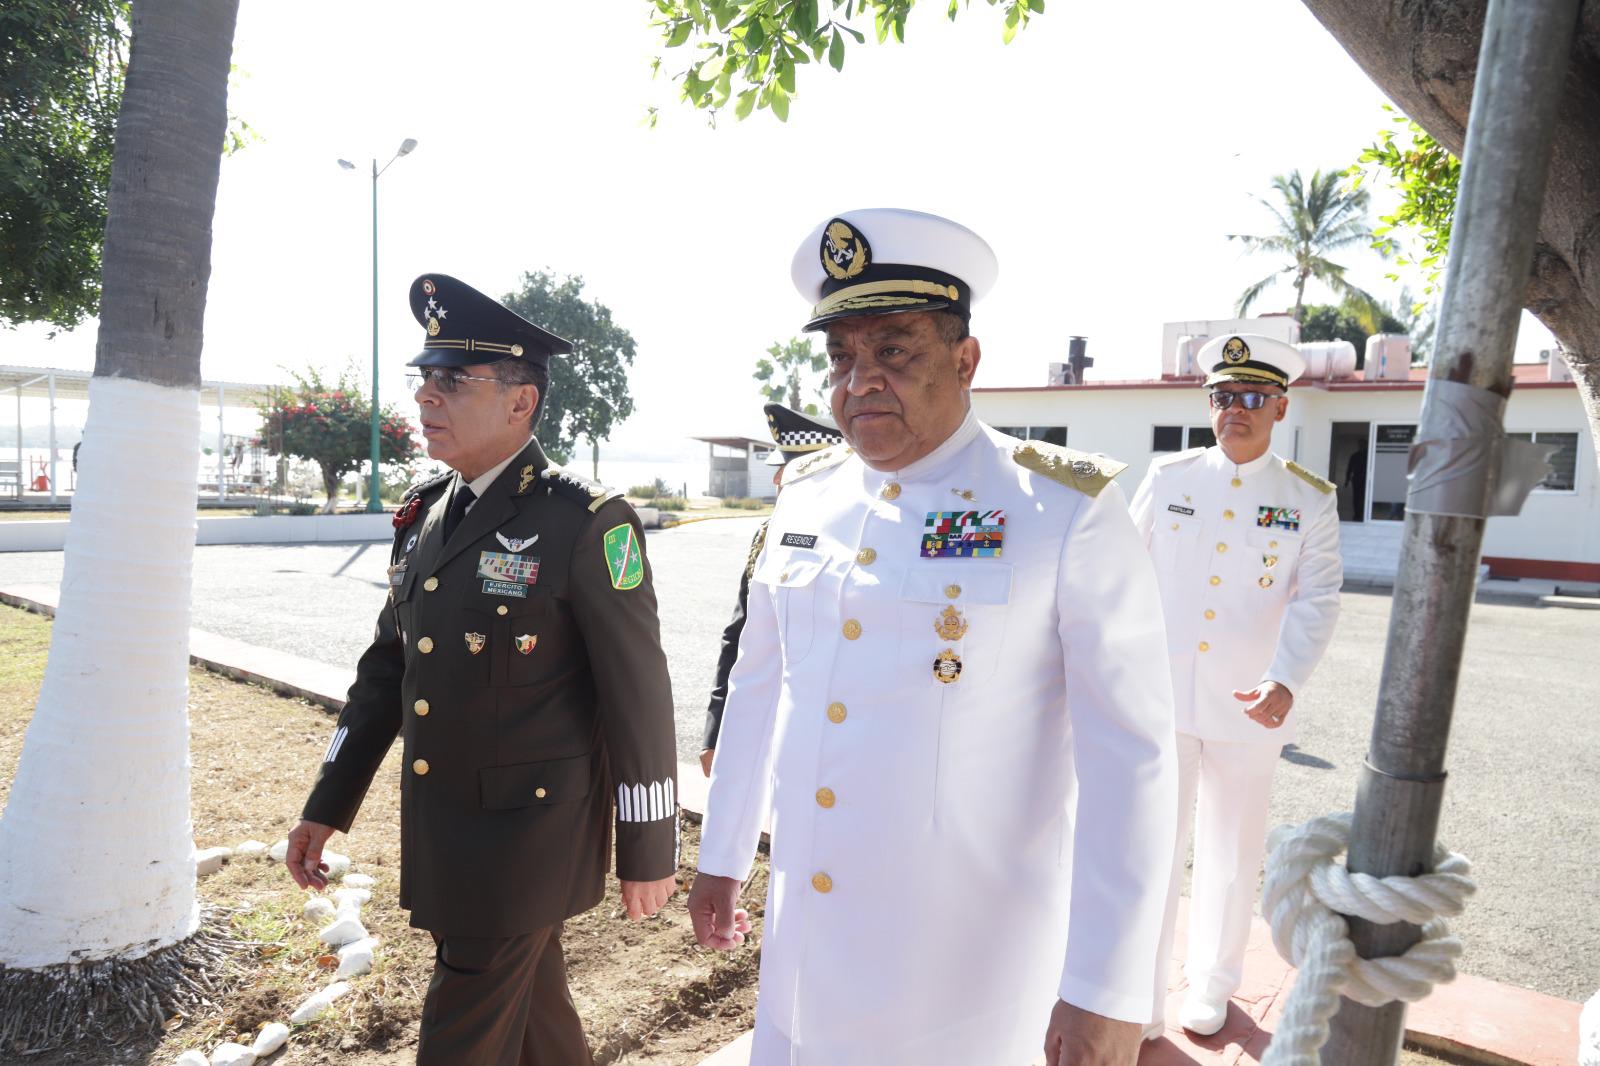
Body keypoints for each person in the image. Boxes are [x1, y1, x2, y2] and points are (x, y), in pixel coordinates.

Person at [684, 208, 1179, 1065]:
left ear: (965, 359)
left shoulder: (1062, 510)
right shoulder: (807, 498)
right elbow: (761, 686)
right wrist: (723, 853)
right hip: (807, 945)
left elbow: (1132, 762)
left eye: (894, 351)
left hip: (963, 976)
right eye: (841, 355)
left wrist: (1106, 990)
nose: (858, 381)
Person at [284, 274, 680, 1066]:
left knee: (460, 1034)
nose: (426, 398)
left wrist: (648, 845)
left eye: (452, 381)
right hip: (449, 825)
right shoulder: (427, 511)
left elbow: (638, 691)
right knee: (536, 1018)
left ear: (520, 402)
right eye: (424, 379)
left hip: (526, 837)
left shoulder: (584, 520)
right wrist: (329, 800)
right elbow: (386, 669)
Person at [1129, 333, 1342, 1038]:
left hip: (1250, 705)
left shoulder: (1307, 498)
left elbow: (1318, 598)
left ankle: (1211, 985)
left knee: (1230, 851)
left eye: (1252, 398)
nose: (1235, 411)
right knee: (1153, 846)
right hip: (1160, 697)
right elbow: (1124, 574)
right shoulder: (1170, 478)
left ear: (1280, 406)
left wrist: (1286, 677)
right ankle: (1140, 988)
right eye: (1224, 396)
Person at [699, 403, 843, 776]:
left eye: (791, 469)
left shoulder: (861, 543)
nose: (778, 479)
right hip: (767, 729)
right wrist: (716, 732)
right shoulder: (769, 534)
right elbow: (738, 636)